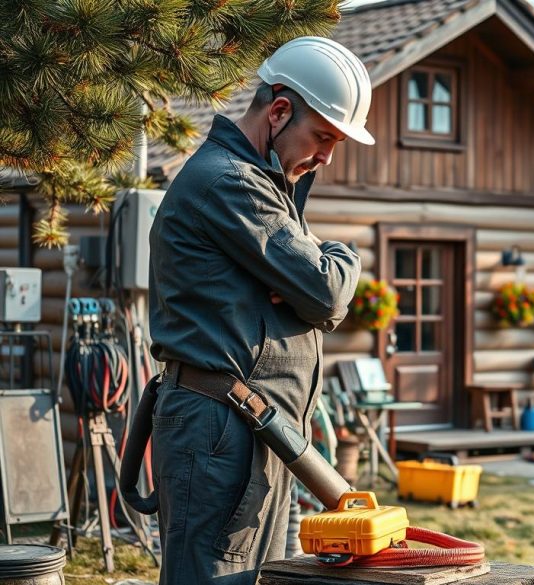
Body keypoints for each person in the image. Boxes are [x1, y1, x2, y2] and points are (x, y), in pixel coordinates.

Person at [147, 37, 373, 584]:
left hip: (256, 430)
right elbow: (325, 293)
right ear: (278, 111)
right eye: (322, 137)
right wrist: (343, 255)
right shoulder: (231, 182)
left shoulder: (267, 186)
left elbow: (310, 291)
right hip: (222, 430)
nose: (326, 156)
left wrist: (308, 274)